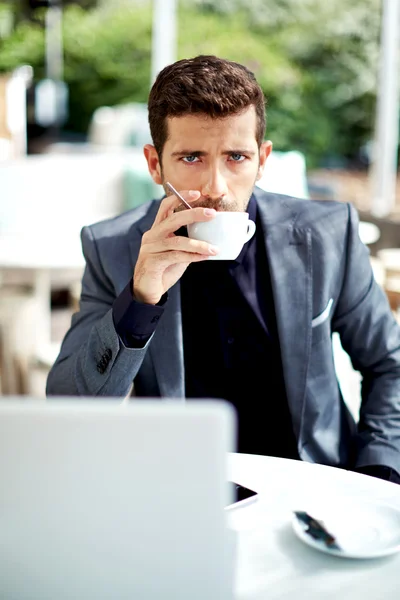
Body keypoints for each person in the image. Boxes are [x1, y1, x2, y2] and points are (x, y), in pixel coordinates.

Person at [47, 54, 400, 483]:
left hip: (312, 484)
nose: (217, 188)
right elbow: (68, 410)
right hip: (179, 488)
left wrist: (378, 477)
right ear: (156, 164)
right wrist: (139, 300)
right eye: (192, 157)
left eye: (236, 156)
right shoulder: (113, 249)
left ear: (263, 160)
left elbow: (389, 365)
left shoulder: (328, 236)